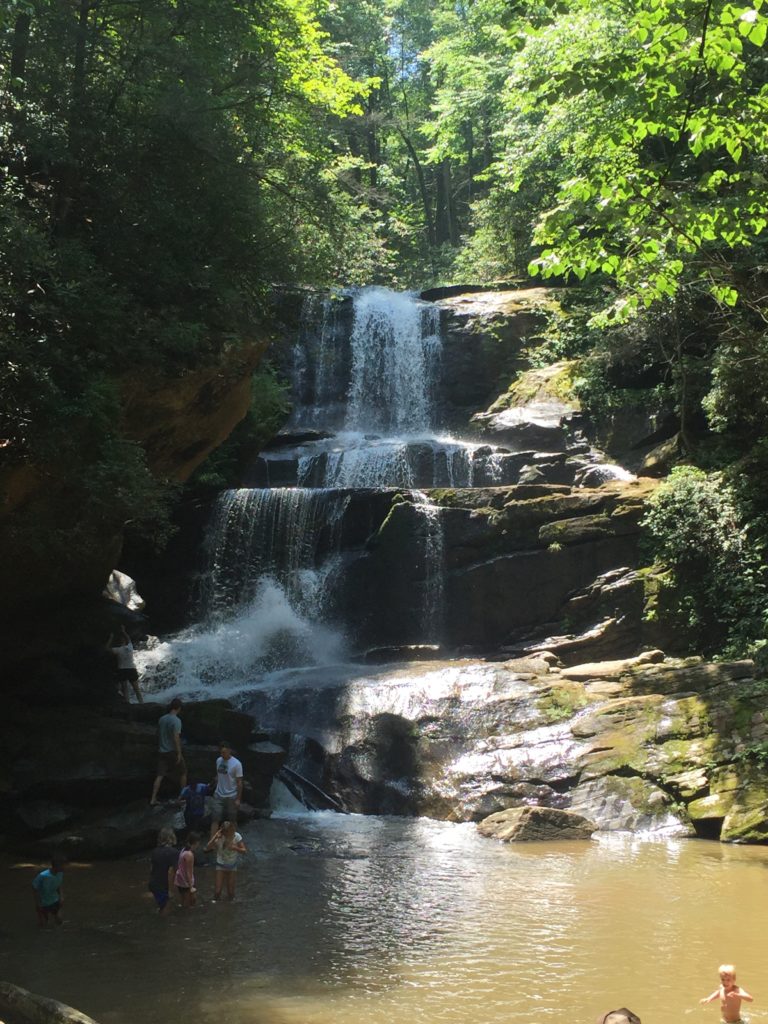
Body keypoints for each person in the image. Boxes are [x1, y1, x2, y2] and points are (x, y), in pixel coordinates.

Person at [150, 698, 187, 806]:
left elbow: (157, 733)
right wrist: (179, 753)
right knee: (183, 772)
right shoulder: (176, 721)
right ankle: (181, 797)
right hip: (172, 751)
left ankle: (153, 799)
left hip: (161, 751)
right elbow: (176, 737)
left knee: (160, 775)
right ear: (179, 708)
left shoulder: (162, 719)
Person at [205, 820, 247, 901]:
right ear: (223, 832)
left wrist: (235, 848)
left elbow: (244, 851)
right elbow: (208, 847)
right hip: (220, 865)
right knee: (217, 891)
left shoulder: (236, 836)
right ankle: (215, 906)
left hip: (232, 866)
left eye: (229, 833)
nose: (228, 835)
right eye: (226, 833)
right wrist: (215, 837)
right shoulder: (219, 837)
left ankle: (230, 908)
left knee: (231, 892)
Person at [209, 741, 243, 837]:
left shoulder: (237, 764)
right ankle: (211, 843)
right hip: (218, 794)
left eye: (224, 752)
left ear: (229, 751)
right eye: (221, 752)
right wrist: (211, 784)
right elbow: (218, 775)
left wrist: (238, 799)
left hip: (231, 796)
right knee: (215, 819)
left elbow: (239, 783)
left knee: (232, 820)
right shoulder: (218, 761)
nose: (222, 754)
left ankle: (233, 840)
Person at [148, 827, 179, 916]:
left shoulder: (155, 851)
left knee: (161, 906)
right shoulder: (174, 852)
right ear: (171, 837)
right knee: (166, 909)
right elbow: (171, 872)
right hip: (163, 885)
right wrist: (170, 890)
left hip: (153, 884)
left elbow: (151, 869)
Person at [108, 626, 143, 703]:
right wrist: (124, 631)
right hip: (131, 669)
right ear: (125, 642)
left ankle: (128, 704)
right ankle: (141, 703)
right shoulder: (130, 647)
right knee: (136, 689)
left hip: (122, 670)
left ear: (120, 642)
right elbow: (128, 638)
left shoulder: (117, 650)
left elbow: (107, 649)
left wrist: (110, 638)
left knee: (125, 689)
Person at [32, 853, 66, 927]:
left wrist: (61, 896)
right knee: (43, 925)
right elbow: (34, 888)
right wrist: (38, 903)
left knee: (60, 922)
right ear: (56, 866)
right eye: (62, 865)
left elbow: (59, 884)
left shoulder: (60, 873)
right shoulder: (43, 876)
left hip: (55, 900)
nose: (64, 867)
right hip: (43, 903)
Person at [174, 832, 201, 908]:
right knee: (191, 903)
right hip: (185, 882)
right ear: (196, 843)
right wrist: (191, 886)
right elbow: (189, 872)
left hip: (179, 880)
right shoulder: (189, 855)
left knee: (183, 902)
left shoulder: (183, 850)